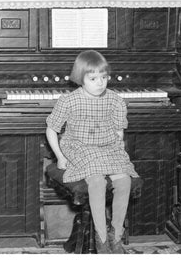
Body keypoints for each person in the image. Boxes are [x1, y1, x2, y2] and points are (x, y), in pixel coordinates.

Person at [45, 50, 139, 254]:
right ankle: (101, 238)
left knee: (124, 180)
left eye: (104, 77)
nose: (100, 83)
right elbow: (51, 129)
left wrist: (116, 149)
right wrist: (60, 157)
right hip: (79, 147)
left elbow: (118, 130)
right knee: (96, 181)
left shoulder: (114, 99)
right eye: (93, 78)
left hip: (107, 146)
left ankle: (116, 235)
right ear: (80, 78)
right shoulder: (69, 100)